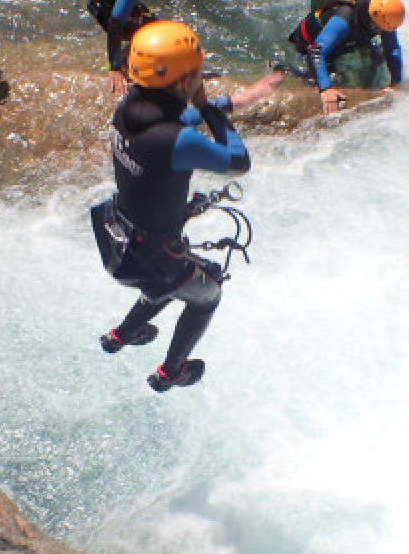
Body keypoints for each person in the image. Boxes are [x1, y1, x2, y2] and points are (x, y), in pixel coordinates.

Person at [91, 21, 282, 392]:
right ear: (182, 82)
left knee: (167, 283)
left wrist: (235, 100)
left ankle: (120, 336)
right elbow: (238, 160)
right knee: (207, 294)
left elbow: (182, 116)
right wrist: (217, 114)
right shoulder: (176, 141)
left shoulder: (130, 107)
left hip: (118, 236)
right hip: (151, 257)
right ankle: (170, 373)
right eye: (196, 74)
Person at [288, 0, 406, 114]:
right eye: (379, 28)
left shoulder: (382, 17)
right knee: (341, 73)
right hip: (311, 41)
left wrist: (396, 82)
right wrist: (326, 89)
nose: (383, 32)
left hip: (348, 38)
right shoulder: (344, 18)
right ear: (372, 19)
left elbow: (393, 48)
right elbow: (316, 52)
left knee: (375, 65)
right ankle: (282, 71)